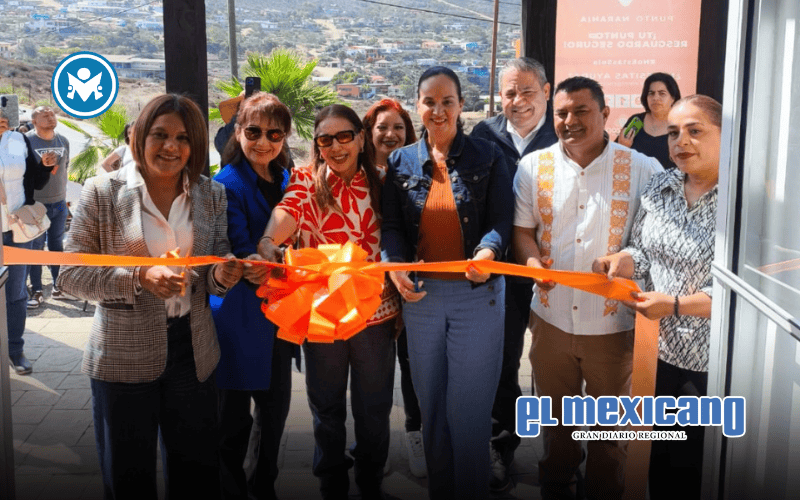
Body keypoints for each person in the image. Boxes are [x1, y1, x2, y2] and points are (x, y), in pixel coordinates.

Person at [56, 93, 243, 500]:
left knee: (197, 479)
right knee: (128, 480)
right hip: (122, 358)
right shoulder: (102, 192)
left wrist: (222, 274)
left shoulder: (211, 194)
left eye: (183, 137)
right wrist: (140, 276)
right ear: (138, 136)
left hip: (194, 353)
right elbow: (70, 275)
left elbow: (215, 264)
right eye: (160, 134)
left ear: (195, 145)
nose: (171, 146)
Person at [513, 76, 662, 499]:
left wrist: (625, 257)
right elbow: (523, 230)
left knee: (609, 436)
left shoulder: (643, 169)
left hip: (612, 327)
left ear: (605, 114)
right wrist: (531, 261)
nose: (570, 121)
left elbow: (654, 240)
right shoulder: (533, 166)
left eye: (581, 111)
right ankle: (557, 485)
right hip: (550, 320)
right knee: (556, 424)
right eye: (561, 113)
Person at [382, 66, 513, 500]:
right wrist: (394, 265)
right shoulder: (400, 162)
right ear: (417, 105)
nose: (438, 111)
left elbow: (501, 219)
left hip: (477, 295)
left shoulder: (487, 155)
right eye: (429, 102)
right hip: (421, 297)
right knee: (432, 406)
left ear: (460, 105)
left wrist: (488, 251)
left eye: (447, 102)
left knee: (468, 410)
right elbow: (392, 227)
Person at [258, 104, 398, 500]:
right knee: (326, 406)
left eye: (344, 137)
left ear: (361, 138)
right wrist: (268, 240)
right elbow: (287, 211)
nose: (335, 147)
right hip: (322, 316)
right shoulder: (306, 179)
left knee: (374, 408)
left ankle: (370, 480)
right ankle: (331, 482)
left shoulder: (384, 182)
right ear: (317, 146)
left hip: (375, 315)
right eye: (325, 140)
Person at [593, 95, 721, 500]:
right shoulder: (660, 185)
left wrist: (677, 305)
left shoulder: (743, 202)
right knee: (656, 460)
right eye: (673, 133)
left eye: (695, 131)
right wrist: (621, 261)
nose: (681, 141)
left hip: (713, 362)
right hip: (656, 351)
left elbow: (741, 290)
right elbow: (643, 251)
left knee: (696, 467)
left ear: (727, 135)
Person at [470, 56, 558, 490]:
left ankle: (562, 456)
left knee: (557, 365)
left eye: (527, 91)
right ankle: (500, 444)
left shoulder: (565, 133)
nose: (518, 101)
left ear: (546, 91)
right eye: (509, 93)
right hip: (500, 271)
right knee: (501, 360)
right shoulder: (484, 136)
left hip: (556, 272)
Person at [211, 92, 296, 500]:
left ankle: (264, 486)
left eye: (274, 133)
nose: (264, 141)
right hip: (240, 316)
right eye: (254, 131)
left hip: (280, 315)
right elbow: (239, 245)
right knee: (232, 419)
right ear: (237, 132)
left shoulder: (288, 179)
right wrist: (256, 260)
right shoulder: (226, 183)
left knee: (274, 413)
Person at [362, 98, 428, 478]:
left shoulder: (415, 173)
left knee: (411, 364)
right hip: (368, 290)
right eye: (382, 128)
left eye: (398, 128)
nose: (391, 135)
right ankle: (375, 444)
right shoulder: (357, 175)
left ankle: (415, 432)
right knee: (373, 375)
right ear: (368, 133)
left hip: (407, 282)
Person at [1, 105, 57, 375]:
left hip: (16, 228)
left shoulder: (17, 139)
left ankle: (15, 350)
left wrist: (45, 167)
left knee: (15, 291)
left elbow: (34, 180)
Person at [25, 106, 71, 309]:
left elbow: (64, 169)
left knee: (56, 245)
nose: (51, 117)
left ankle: (58, 285)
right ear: (34, 121)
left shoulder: (64, 141)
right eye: (45, 115)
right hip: (35, 205)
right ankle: (36, 290)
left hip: (59, 204)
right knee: (36, 248)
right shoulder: (26, 141)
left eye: (52, 114)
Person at [617, 72, 681, 170]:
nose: (655, 98)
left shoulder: (681, 125)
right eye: (651, 93)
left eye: (662, 93)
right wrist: (622, 147)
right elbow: (617, 158)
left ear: (673, 98)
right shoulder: (636, 121)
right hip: (635, 178)